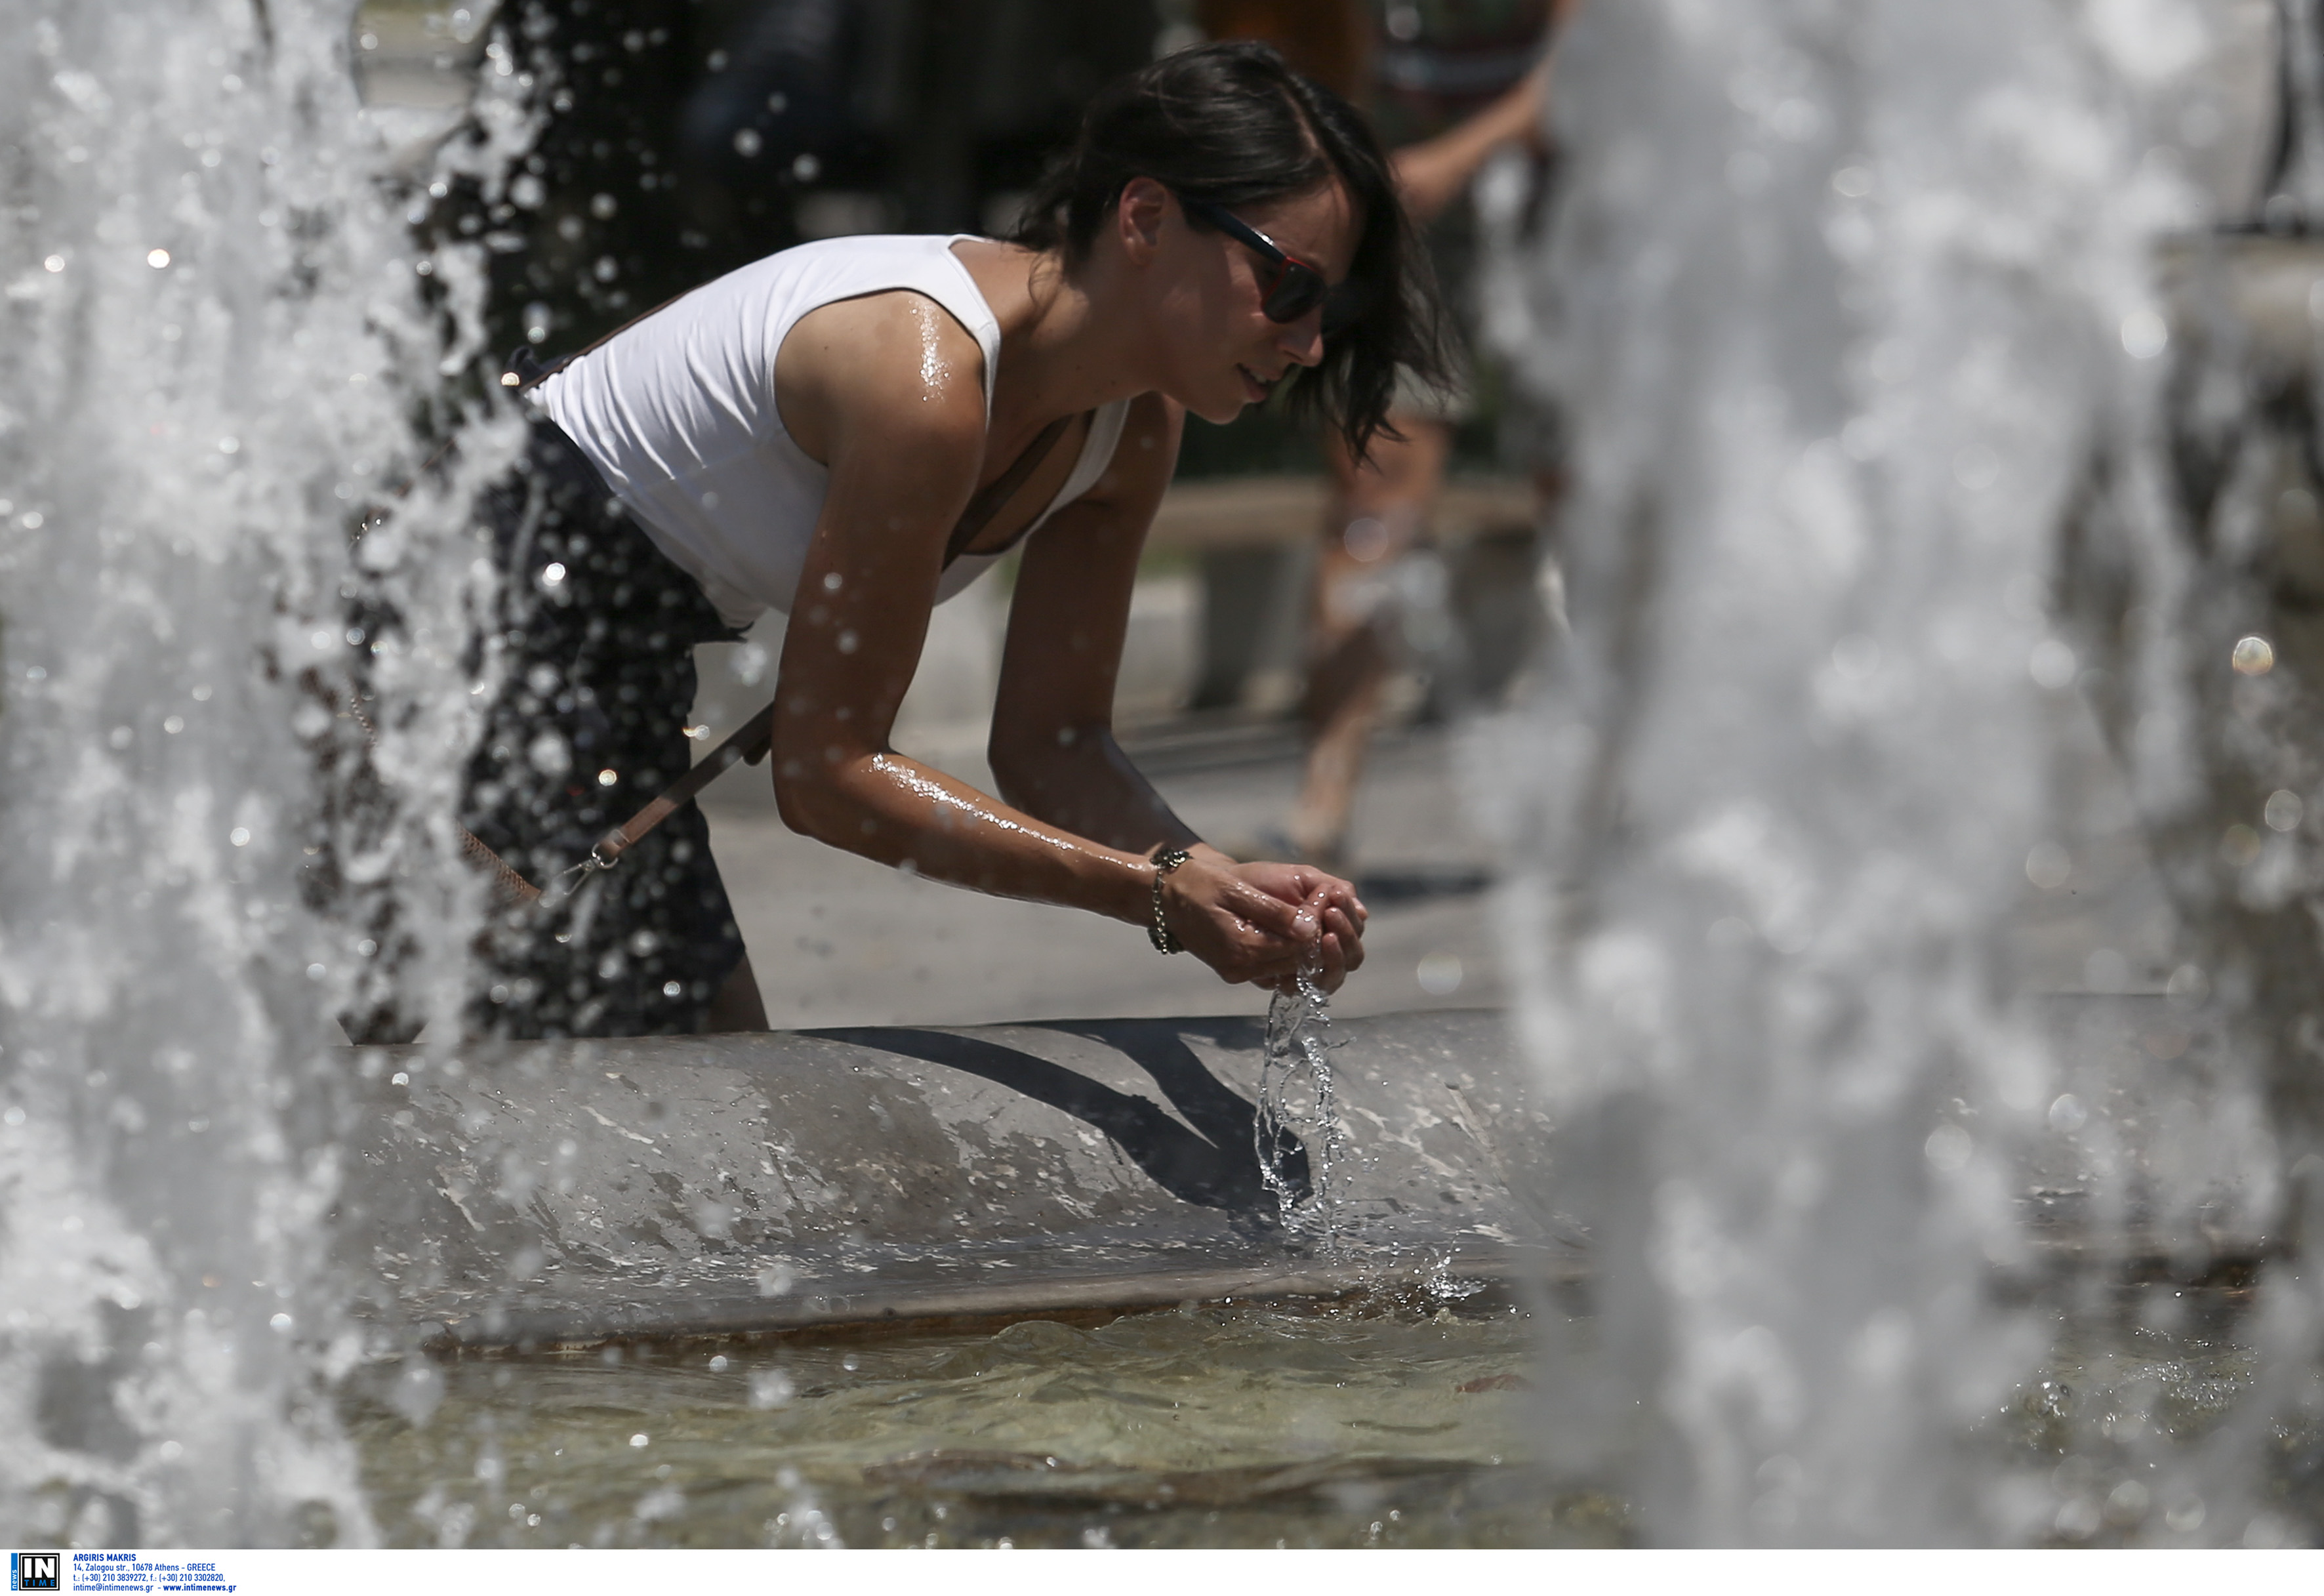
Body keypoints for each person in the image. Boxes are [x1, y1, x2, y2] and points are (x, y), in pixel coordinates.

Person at [452, 41, 1446, 1039]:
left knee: (709, 1119)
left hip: (601, 681)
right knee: (643, 1117)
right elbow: (827, 775)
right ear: (1145, 217)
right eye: (1289, 287)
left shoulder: (1136, 425)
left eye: (1333, 304)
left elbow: (1053, 743)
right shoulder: (922, 377)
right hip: (460, 630)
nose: (1309, 341)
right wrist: (1152, 893)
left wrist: (1217, 883)